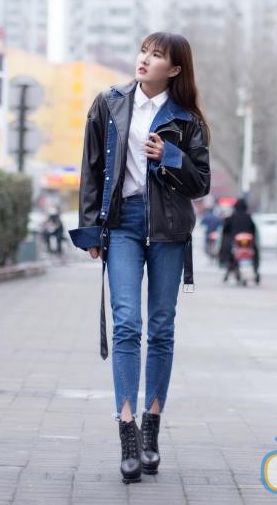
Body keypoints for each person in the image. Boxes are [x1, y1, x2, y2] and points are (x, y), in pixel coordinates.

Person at [69, 32, 211, 484]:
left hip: (169, 229)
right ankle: (127, 430)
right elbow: (91, 169)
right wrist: (92, 228)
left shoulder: (187, 120)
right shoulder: (108, 104)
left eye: (157, 56)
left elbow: (201, 183)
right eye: (144, 52)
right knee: (127, 321)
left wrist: (169, 155)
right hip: (123, 224)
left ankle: (152, 426)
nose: (145, 60)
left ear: (174, 70)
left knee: (162, 327)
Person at [220, 198, 261, 285]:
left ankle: (229, 271)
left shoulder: (232, 217)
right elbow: (253, 230)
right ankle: (256, 271)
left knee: (230, 255)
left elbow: (225, 230)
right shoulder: (249, 217)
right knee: (255, 254)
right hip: (248, 244)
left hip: (236, 243)